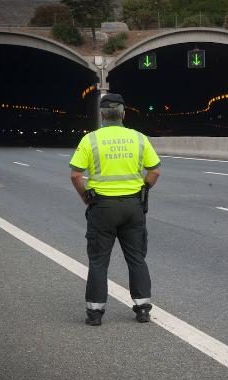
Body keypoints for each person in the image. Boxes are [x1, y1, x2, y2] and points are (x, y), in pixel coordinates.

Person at [69, 93, 161, 326]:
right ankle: (142, 310)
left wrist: (85, 196)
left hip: (102, 208)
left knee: (99, 261)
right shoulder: (139, 138)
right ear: (124, 113)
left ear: (101, 115)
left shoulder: (90, 140)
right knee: (136, 258)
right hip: (133, 206)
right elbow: (155, 171)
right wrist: (144, 189)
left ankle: (95, 314)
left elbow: (76, 174)